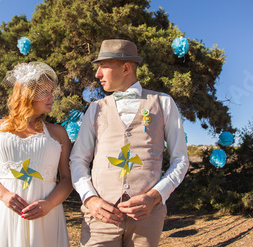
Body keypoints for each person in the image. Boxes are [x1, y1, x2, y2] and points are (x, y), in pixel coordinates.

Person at [70, 39, 189, 247]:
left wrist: (154, 197)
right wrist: (90, 199)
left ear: (125, 68)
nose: (97, 74)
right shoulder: (95, 109)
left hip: (147, 221)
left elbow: (180, 160)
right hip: (100, 218)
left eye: (103, 67)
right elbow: (78, 159)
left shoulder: (163, 102)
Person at [0, 62, 72, 246]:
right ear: (28, 94)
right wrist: (4, 195)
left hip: (46, 215)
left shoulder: (58, 133)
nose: (52, 97)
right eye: (45, 92)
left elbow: (67, 178)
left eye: (51, 92)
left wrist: (49, 204)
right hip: (6, 212)